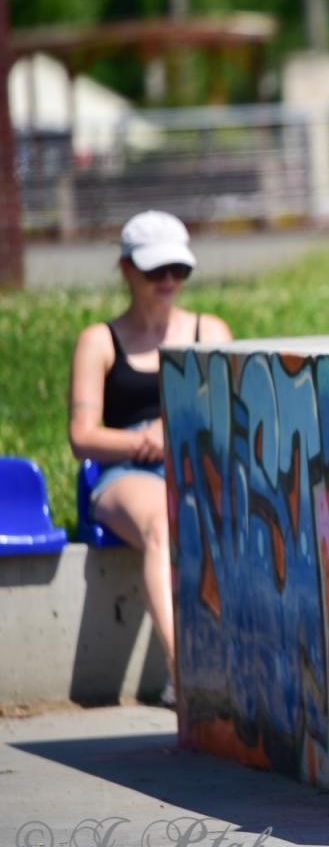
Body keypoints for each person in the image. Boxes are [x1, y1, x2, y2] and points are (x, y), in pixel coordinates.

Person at [67, 210, 233, 706]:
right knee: (164, 519)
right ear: (126, 270)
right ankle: (184, 672)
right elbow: (82, 436)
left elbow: (227, 416)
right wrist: (147, 439)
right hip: (124, 471)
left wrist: (176, 432)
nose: (168, 282)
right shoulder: (99, 341)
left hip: (192, 462)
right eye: (155, 271)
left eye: (178, 271)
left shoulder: (210, 331)